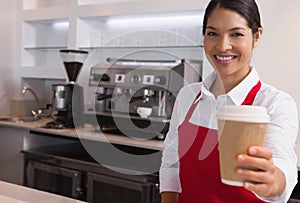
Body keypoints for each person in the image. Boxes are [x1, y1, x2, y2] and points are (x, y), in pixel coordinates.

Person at [159, 0, 298, 202]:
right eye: (212, 33)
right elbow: (172, 163)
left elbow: (282, 163)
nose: (223, 46)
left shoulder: (275, 104)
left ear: (256, 36)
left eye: (236, 34)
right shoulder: (188, 97)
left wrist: (275, 180)